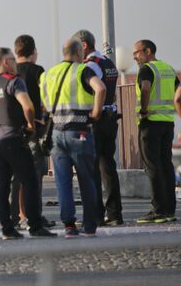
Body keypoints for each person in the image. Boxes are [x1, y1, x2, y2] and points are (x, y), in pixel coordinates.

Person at [0, 47, 56, 240]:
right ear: (6, 62)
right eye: (13, 60)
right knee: (30, 180)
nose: (16, 64)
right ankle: (35, 226)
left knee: (2, 184)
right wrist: (30, 125)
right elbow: (28, 105)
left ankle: (7, 229)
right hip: (13, 137)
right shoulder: (13, 82)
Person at [40, 39, 106, 238]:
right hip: (80, 132)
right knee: (87, 179)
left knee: (63, 181)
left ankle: (69, 224)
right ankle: (89, 224)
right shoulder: (82, 70)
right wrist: (96, 112)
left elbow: (45, 105)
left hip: (56, 133)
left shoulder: (47, 74)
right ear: (78, 51)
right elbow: (100, 88)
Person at [72, 30, 123, 226]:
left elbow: (98, 89)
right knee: (108, 168)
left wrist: (93, 113)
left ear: (83, 46)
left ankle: (97, 214)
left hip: (98, 119)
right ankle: (115, 213)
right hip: (111, 118)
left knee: (91, 170)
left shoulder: (90, 65)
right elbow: (112, 92)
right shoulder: (108, 63)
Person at [9, 35, 54, 229]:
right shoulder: (38, 71)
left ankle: (17, 215)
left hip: (11, 130)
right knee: (35, 176)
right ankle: (34, 215)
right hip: (34, 129)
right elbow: (46, 99)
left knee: (16, 176)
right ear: (33, 52)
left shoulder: (9, 73)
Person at [133, 39, 179, 223]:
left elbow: (145, 89)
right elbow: (178, 90)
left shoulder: (146, 69)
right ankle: (169, 210)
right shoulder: (168, 68)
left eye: (137, 52)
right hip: (167, 123)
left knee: (152, 167)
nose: (135, 57)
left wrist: (143, 111)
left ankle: (158, 210)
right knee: (166, 166)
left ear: (148, 51)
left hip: (150, 122)